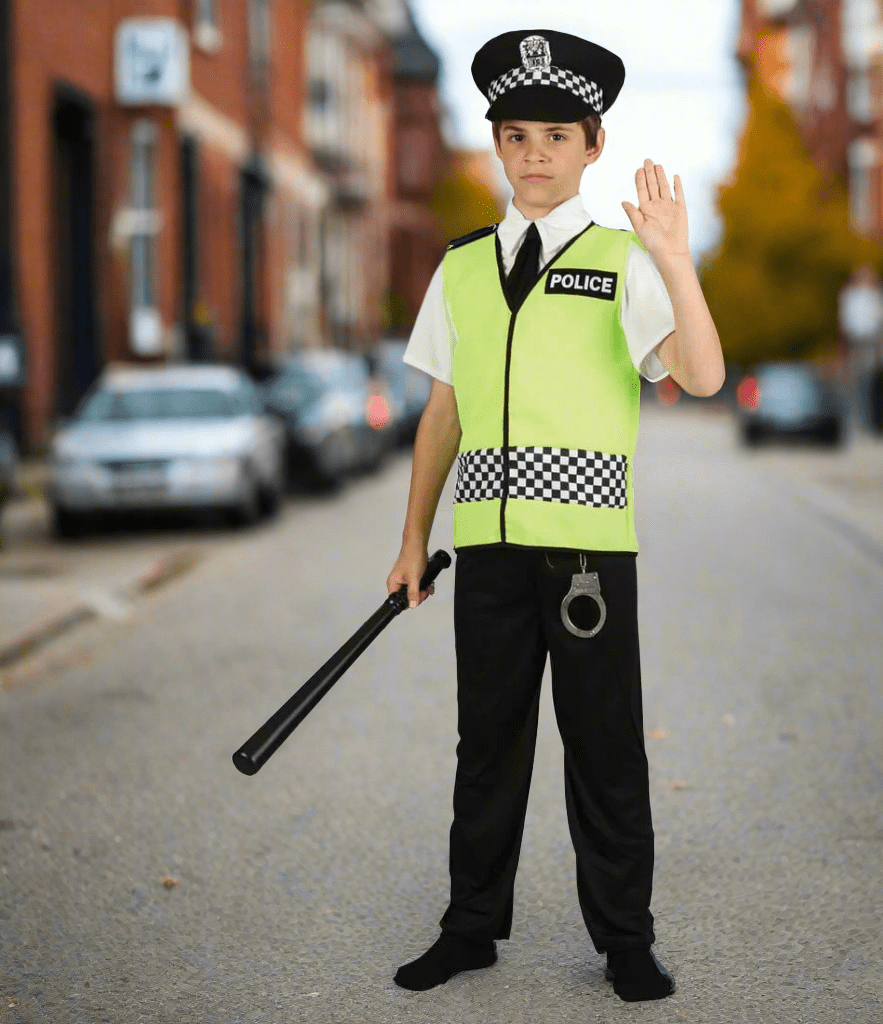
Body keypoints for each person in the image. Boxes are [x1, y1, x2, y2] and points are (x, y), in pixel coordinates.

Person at [385, 27, 725, 1003]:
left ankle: (624, 939)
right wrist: (412, 539)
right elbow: (441, 416)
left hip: (584, 559)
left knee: (604, 747)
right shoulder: (457, 269)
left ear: (592, 146)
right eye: (516, 133)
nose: (535, 152)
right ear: (496, 144)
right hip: (486, 554)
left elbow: (701, 376)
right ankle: (469, 926)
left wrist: (677, 259)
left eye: (557, 135)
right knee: (485, 746)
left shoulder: (623, 261)